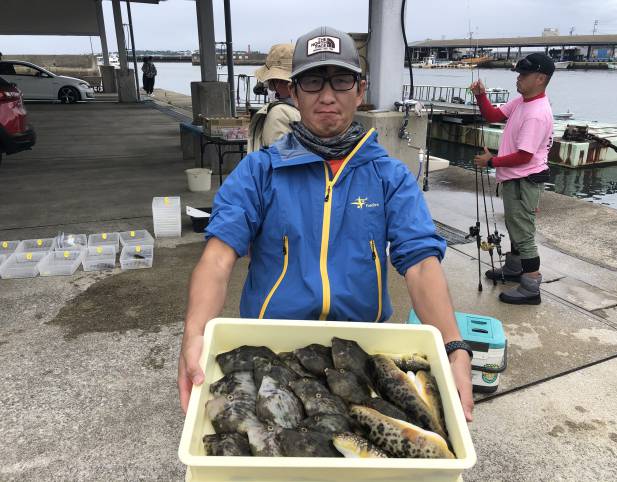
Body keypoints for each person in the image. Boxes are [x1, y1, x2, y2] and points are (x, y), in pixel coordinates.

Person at [178, 26, 473, 421]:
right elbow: (217, 259)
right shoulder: (258, 171)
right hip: (272, 345)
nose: (328, 95)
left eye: (341, 80)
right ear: (294, 92)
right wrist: (194, 333)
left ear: (360, 90)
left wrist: (453, 346)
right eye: (313, 81)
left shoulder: (390, 176)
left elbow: (420, 263)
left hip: (359, 348)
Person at [471, 53, 555, 305]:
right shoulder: (522, 102)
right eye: (518, 74)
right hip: (515, 179)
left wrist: (491, 161)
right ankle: (514, 268)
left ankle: (531, 287)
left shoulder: (536, 113)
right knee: (515, 227)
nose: (518, 78)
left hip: (524, 181)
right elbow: (493, 116)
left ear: (540, 79)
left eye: (524, 75)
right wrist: (481, 96)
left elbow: (524, 155)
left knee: (524, 234)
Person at [248, 43, 301, 152]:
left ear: (277, 82)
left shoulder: (279, 113)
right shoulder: (310, 109)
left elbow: (278, 156)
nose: (268, 86)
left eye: (269, 81)